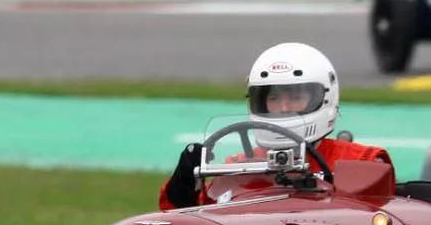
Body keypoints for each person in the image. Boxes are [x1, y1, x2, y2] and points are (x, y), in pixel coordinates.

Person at [160, 42, 390, 210]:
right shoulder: (241, 166)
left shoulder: (362, 161)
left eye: (295, 97)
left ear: (326, 98)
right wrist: (184, 183)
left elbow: (377, 224)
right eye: (274, 98)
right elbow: (186, 218)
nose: (282, 107)